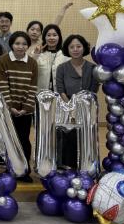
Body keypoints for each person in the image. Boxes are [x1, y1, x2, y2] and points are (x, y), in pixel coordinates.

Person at [0, 31, 38, 182]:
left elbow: (33, 87)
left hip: (25, 110)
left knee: (24, 140)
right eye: (17, 43)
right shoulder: (2, 60)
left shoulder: (32, 63)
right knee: (8, 140)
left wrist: (26, 108)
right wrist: (10, 106)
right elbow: (2, 85)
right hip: (8, 110)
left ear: (28, 46)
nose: (21, 47)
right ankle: (10, 169)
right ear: (11, 44)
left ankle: (24, 171)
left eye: (24, 44)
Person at [55, 34, 98, 169]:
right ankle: (66, 166)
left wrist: (82, 105)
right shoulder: (61, 67)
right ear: (67, 49)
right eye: (72, 47)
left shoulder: (92, 68)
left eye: (78, 46)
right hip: (67, 108)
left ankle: (86, 166)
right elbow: (60, 89)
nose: (75, 49)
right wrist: (71, 106)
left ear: (84, 48)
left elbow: (94, 89)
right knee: (68, 138)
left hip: (87, 108)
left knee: (86, 138)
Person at [36, 24, 69, 92]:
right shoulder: (38, 54)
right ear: (44, 38)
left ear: (59, 37)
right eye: (48, 35)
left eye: (54, 35)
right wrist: (36, 55)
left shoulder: (66, 55)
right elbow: (30, 69)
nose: (51, 38)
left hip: (60, 94)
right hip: (41, 93)